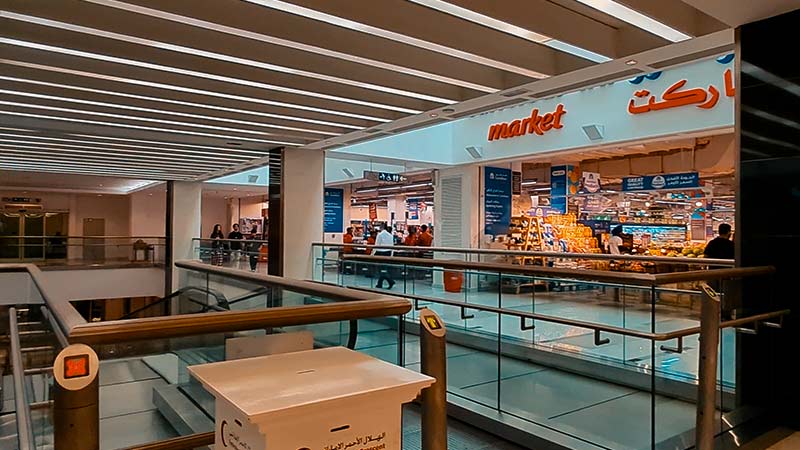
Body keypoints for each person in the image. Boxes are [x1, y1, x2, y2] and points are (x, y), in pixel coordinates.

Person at [374, 225, 395, 289]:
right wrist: (392, 254)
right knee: (384, 269)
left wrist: (372, 254)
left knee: (382, 269)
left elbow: (376, 245)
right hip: (388, 252)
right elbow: (392, 246)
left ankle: (389, 281)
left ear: (381, 227)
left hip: (380, 253)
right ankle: (380, 283)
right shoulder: (390, 235)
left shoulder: (380, 235)